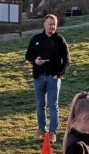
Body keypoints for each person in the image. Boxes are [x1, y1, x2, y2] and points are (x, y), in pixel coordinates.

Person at [24, 14, 70, 143]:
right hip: (39, 77)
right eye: (50, 24)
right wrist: (35, 61)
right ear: (44, 24)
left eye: (54, 24)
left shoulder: (60, 40)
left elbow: (67, 60)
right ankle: (41, 130)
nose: (52, 26)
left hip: (53, 78)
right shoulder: (36, 39)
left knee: (53, 106)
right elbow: (28, 55)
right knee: (40, 105)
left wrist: (58, 74)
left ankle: (52, 132)